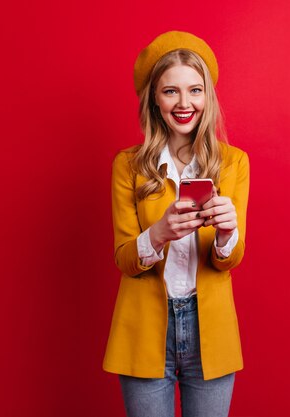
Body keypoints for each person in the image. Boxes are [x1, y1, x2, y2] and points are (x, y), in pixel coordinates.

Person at [103, 31, 250, 417]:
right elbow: (124, 260)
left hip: (211, 332)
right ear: (154, 97)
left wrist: (225, 234)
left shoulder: (233, 163)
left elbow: (229, 261)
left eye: (195, 90)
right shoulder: (128, 165)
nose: (184, 103)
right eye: (170, 91)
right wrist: (158, 234)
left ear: (208, 96)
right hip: (144, 332)